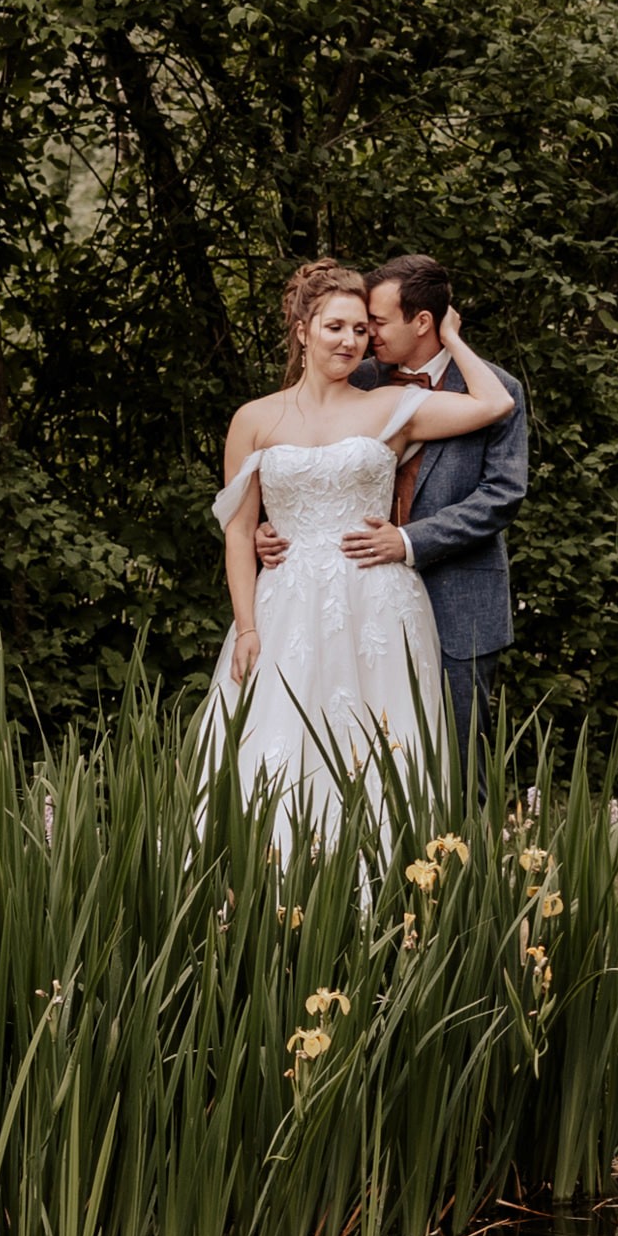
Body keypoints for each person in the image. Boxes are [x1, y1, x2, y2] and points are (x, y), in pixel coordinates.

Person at [200, 259, 517, 843]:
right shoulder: (253, 419)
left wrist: (449, 334)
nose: (351, 341)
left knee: (380, 744)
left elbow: (495, 404)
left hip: (378, 601)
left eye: (361, 330)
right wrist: (246, 629)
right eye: (335, 327)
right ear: (303, 330)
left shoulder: (388, 404)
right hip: (287, 605)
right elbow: (241, 531)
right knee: (281, 744)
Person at [253, 252, 526, 736]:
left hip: (458, 594)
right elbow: (303, 447)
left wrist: (408, 541)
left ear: (423, 322)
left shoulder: (495, 386)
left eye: (375, 322)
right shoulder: (360, 376)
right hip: (357, 599)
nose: (365, 335)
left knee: (458, 762)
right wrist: (274, 524)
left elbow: (502, 495)